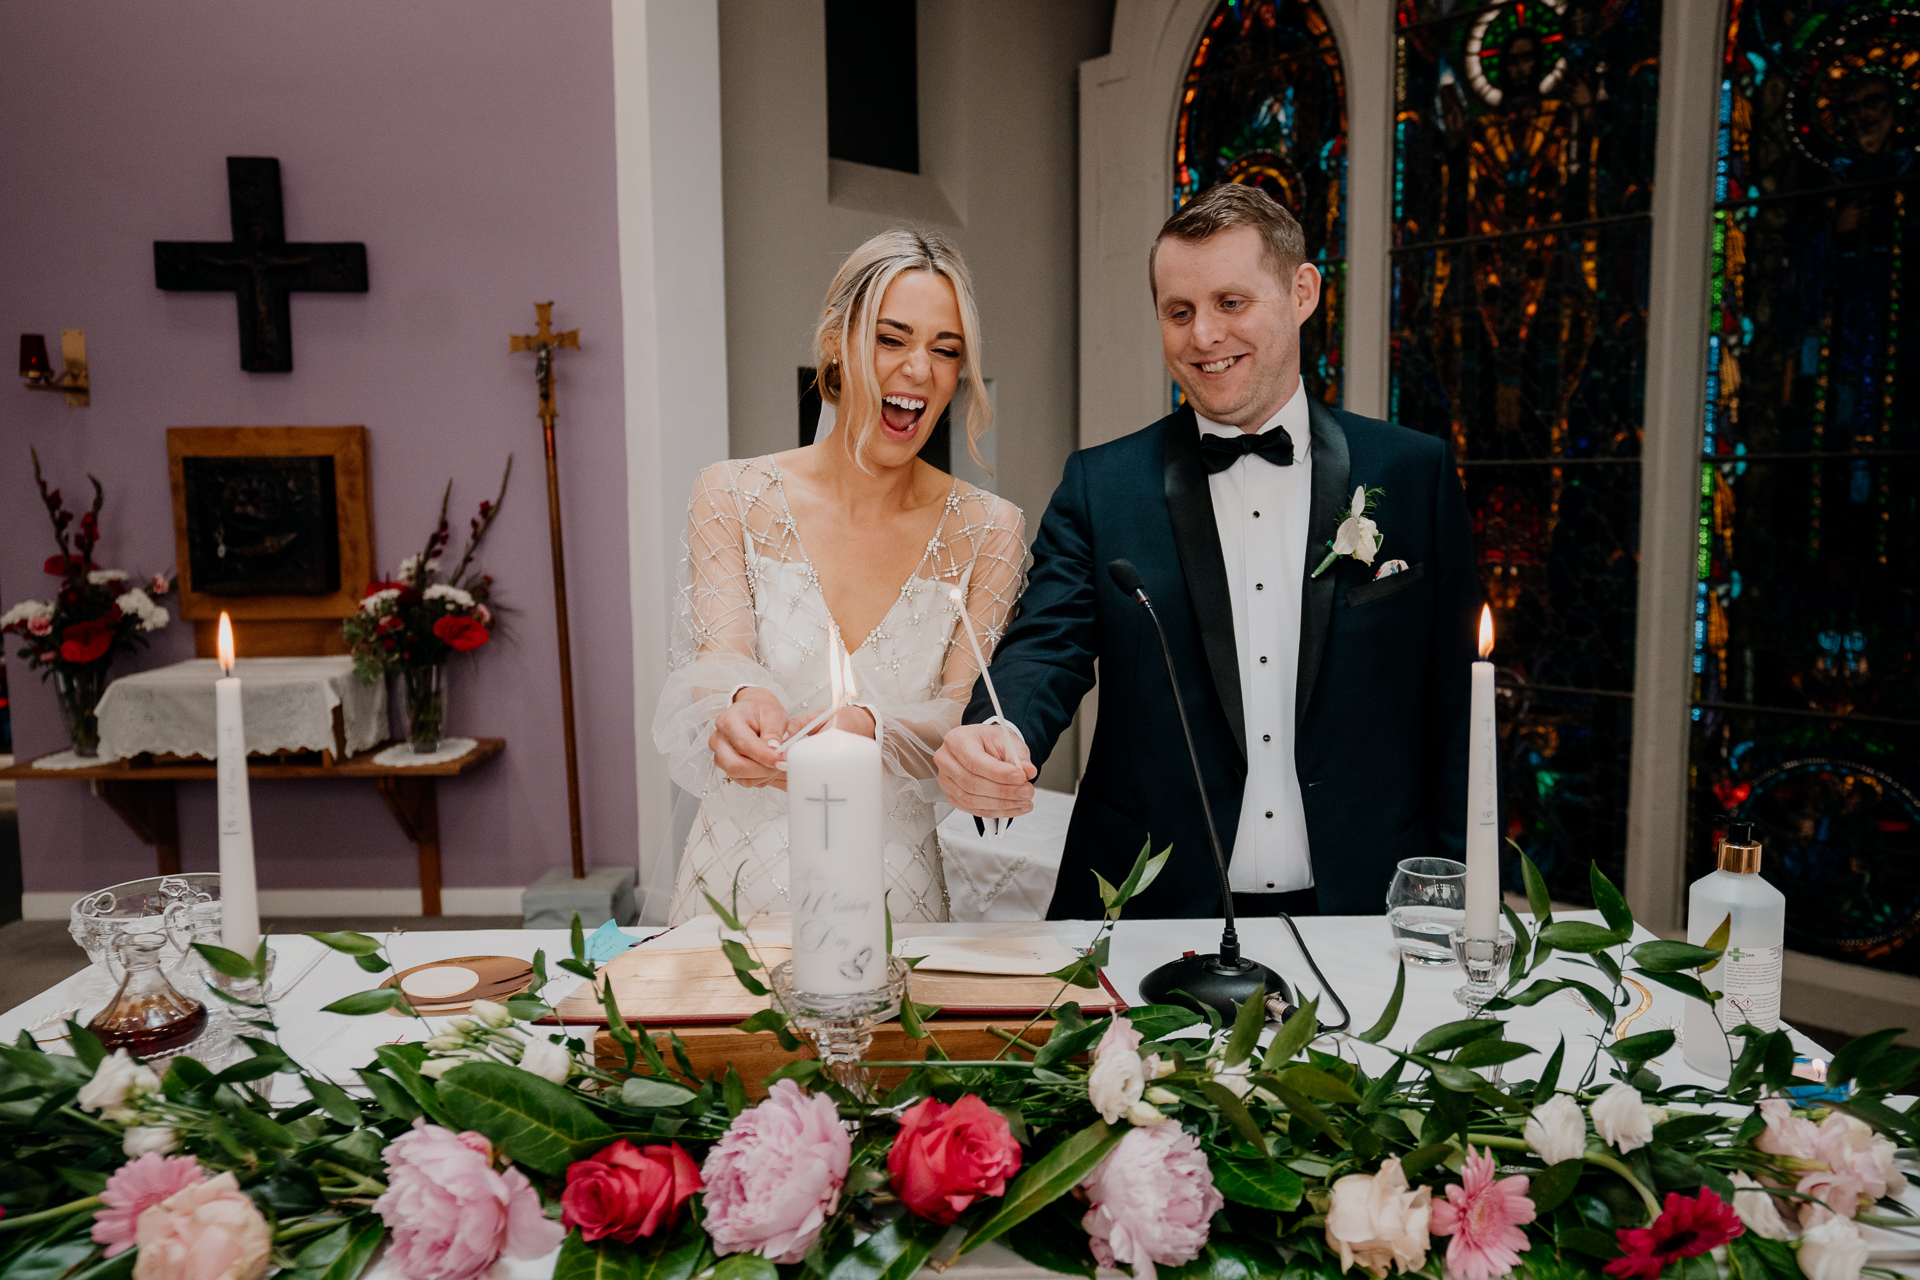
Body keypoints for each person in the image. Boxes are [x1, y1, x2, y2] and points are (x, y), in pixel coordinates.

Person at [935, 183, 1480, 919]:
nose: (1203, 337)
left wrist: (1457, 894)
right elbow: (1047, 646)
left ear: (1303, 291)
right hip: (1153, 906)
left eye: (1232, 303)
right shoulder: (1103, 486)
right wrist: (999, 731)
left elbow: (1456, 706)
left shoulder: (1414, 475)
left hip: (1367, 906)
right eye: (1179, 312)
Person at [654, 228, 1026, 926]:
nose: (920, 368)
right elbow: (718, 657)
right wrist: (738, 697)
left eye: (946, 351)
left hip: (892, 886)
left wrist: (868, 726)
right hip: (740, 878)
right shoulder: (730, 494)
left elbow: (959, 715)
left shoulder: (988, 529)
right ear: (834, 340)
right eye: (893, 339)